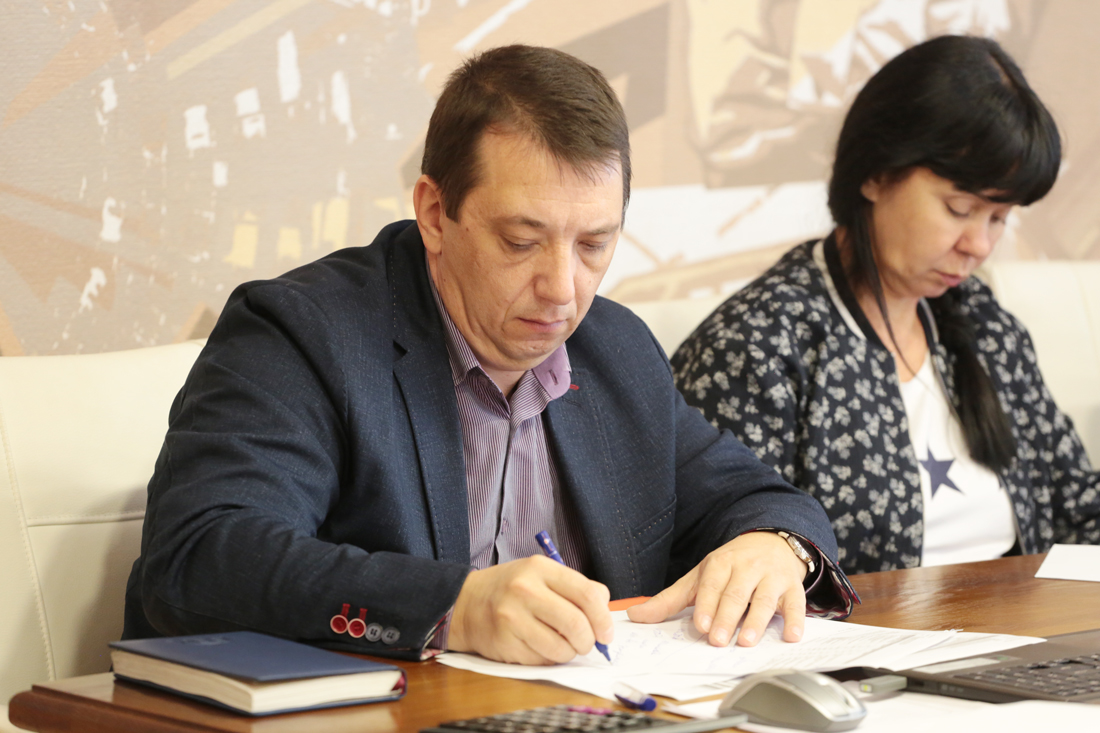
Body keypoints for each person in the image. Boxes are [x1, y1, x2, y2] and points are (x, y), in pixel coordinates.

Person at [123, 45, 855, 665]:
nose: (562, 288)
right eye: (521, 241)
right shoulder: (302, 333)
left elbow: (757, 498)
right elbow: (199, 558)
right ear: (435, 214)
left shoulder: (615, 350)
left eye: (594, 244)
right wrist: (454, 606)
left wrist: (776, 544)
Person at [673, 35, 1100, 576]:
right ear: (876, 173)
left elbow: (1078, 509)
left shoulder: (984, 323)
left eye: (999, 218)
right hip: (859, 632)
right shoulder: (756, 345)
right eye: (959, 208)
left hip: (1023, 624)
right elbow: (726, 553)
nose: (979, 245)